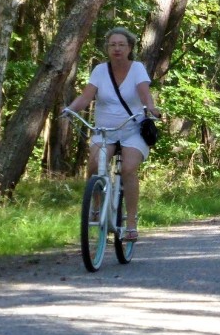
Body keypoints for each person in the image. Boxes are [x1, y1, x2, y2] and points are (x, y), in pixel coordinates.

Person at [63, 27, 161, 242]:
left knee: (128, 169)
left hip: (132, 130)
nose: (117, 49)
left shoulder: (137, 69)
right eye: (112, 45)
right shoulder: (99, 70)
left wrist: (151, 108)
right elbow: (86, 97)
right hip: (105, 131)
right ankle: (96, 208)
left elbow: (145, 94)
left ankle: (132, 223)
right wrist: (70, 109)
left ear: (130, 48)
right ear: (107, 48)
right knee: (93, 165)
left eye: (121, 45)